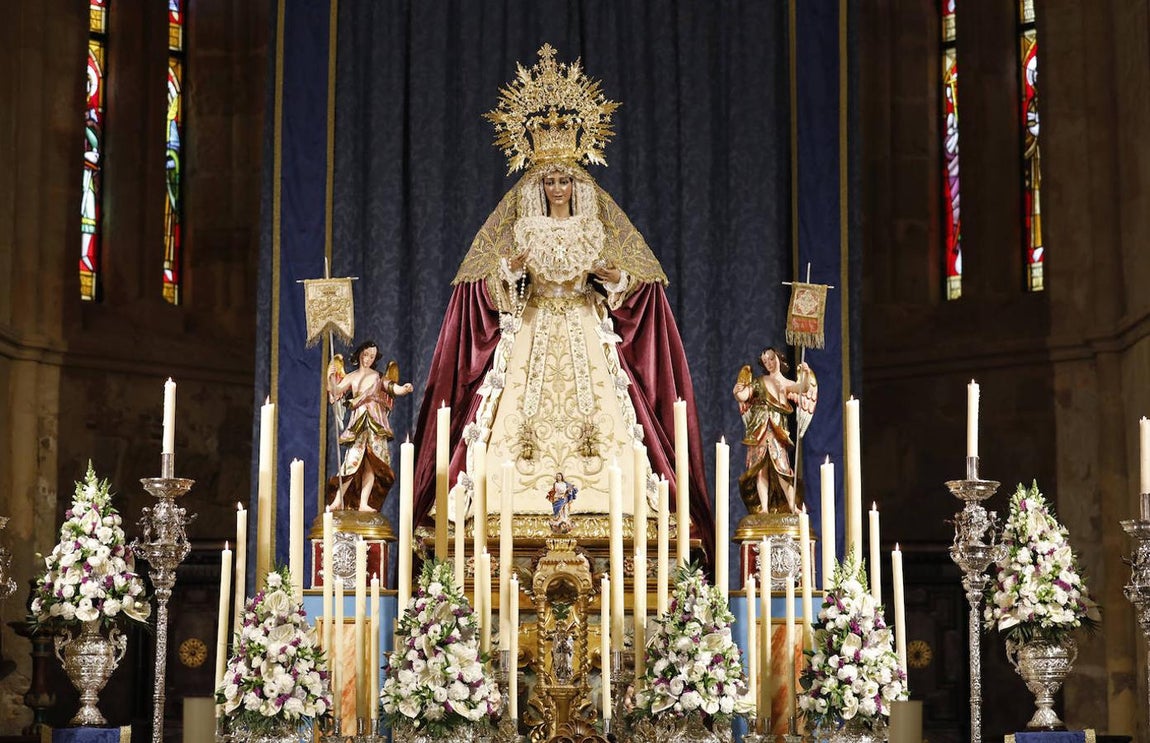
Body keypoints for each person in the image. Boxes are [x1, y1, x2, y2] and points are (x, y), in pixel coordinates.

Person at [412, 45, 713, 559]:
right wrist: (510, 271)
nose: (556, 187)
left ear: (577, 182)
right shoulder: (521, 227)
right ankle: (501, 511)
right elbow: (488, 287)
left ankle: (611, 510)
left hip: (584, 331)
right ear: (537, 183)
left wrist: (610, 276)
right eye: (549, 179)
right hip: (529, 333)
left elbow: (634, 286)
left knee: (611, 425)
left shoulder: (596, 225)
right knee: (506, 427)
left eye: (564, 178)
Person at [326, 340, 413, 511]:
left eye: (372, 356)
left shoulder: (377, 376)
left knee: (371, 464)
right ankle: (338, 499)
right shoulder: (352, 376)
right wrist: (330, 376)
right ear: (360, 354)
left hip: (375, 422)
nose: (368, 359)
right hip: (358, 422)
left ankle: (364, 503)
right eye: (365, 355)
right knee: (352, 460)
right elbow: (336, 390)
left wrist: (404, 388)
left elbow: (392, 388)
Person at [732, 348, 817, 514]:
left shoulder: (786, 383)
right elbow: (744, 396)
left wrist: (806, 374)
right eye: (765, 361)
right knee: (760, 470)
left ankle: (793, 506)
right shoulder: (759, 382)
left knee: (782, 470)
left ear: (778, 358)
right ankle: (763, 508)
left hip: (777, 432)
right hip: (760, 431)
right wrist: (737, 391)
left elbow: (803, 388)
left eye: (771, 359)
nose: (769, 363)